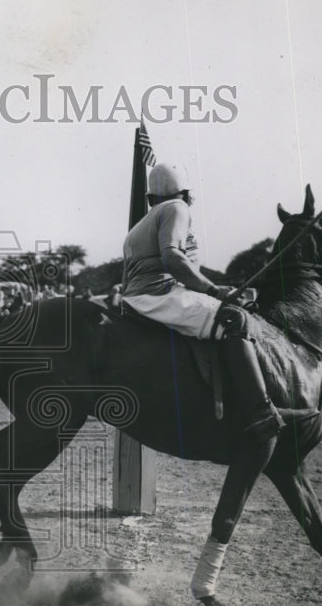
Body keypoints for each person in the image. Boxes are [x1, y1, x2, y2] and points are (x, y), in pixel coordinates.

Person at [121, 163, 293, 443]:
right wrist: (213, 290)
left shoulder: (144, 221)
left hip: (140, 296)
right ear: (185, 194)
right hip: (158, 294)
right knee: (234, 319)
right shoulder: (177, 208)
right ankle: (260, 412)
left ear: (150, 198)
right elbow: (173, 259)